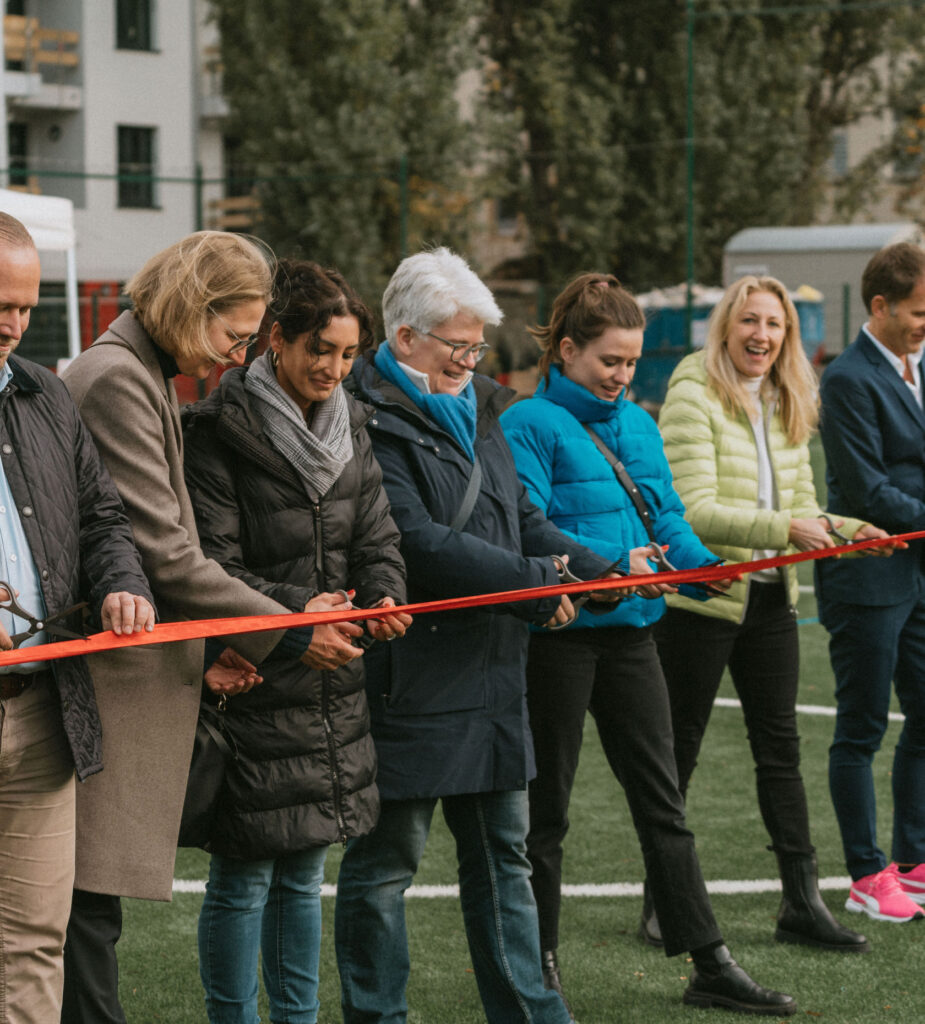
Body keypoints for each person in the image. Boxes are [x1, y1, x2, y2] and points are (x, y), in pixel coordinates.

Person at [60, 233, 347, 1024]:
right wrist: (289, 629)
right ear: (194, 304)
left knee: (86, 919)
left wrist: (214, 643)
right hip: (95, 689)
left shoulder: (134, 371)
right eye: (235, 333)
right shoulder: (116, 378)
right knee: (81, 920)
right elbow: (162, 553)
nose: (239, 352)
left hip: (129, 669)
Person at [500, 272, 797, 1016]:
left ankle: (709, 962)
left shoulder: (636, 422)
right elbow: (528, 525)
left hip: (634, 638)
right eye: (609, 361)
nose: (622, 376)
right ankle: (538, 971)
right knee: (548, 816)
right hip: (560, 643)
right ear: (566, 351)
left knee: (663, 806)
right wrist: (606, 569)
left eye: (631, 363)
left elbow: (666, 518)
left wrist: (707, 570)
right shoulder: (526, 424)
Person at [334, 248, 617, 1024]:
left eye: (476, 346)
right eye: (458, 345)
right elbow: (417, 540)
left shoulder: (484, 405)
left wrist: (601, 571)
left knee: (503, 862)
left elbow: (519, 515)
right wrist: (535, 586)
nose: (470, 359)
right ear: (403, 334)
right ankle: (376, 1014)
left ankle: (531, 1013)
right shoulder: (362, 416)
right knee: (385, 865)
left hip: (494, 673)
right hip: (410, 675)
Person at [180, 258, 409, 1023]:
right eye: (320, 350)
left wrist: (383, 599)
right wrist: (294, 622)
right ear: (277, 339)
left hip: (330, 682)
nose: (333, 368)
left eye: (347, 355)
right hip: (254, 676)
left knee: (305, 878)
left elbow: (378, 535)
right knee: (244, 881)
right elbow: (211, 564)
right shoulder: (216, 430)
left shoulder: (354, 424)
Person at [655, 274, 891, 951]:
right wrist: (785, 532)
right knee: (679, 754)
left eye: (774, 324)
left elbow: (805, 503)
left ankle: (799, 902)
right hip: (699, 600)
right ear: (726, 325)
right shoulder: (691, 390)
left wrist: (850, 531)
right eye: (749, 320)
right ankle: (661, 899)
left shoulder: (790, 397)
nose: (761, 335)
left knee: (779, 751)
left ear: (787, 336)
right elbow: (691, 510)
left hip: (769, 599)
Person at [0, 212, 155, 1024]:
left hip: (42, 711)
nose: (11, 322)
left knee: (34, 939)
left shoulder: (48, 395)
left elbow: (101, 516)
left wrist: (122, 583)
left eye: (23, 306)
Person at [814, 241, 925, 924]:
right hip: (866, 579)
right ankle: (864, 872)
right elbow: (865, 489)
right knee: (859, 728)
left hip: (916, 573)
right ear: (878, 306)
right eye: (917, 311)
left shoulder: (917, 365)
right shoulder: (848, 378)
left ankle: (912, 864)